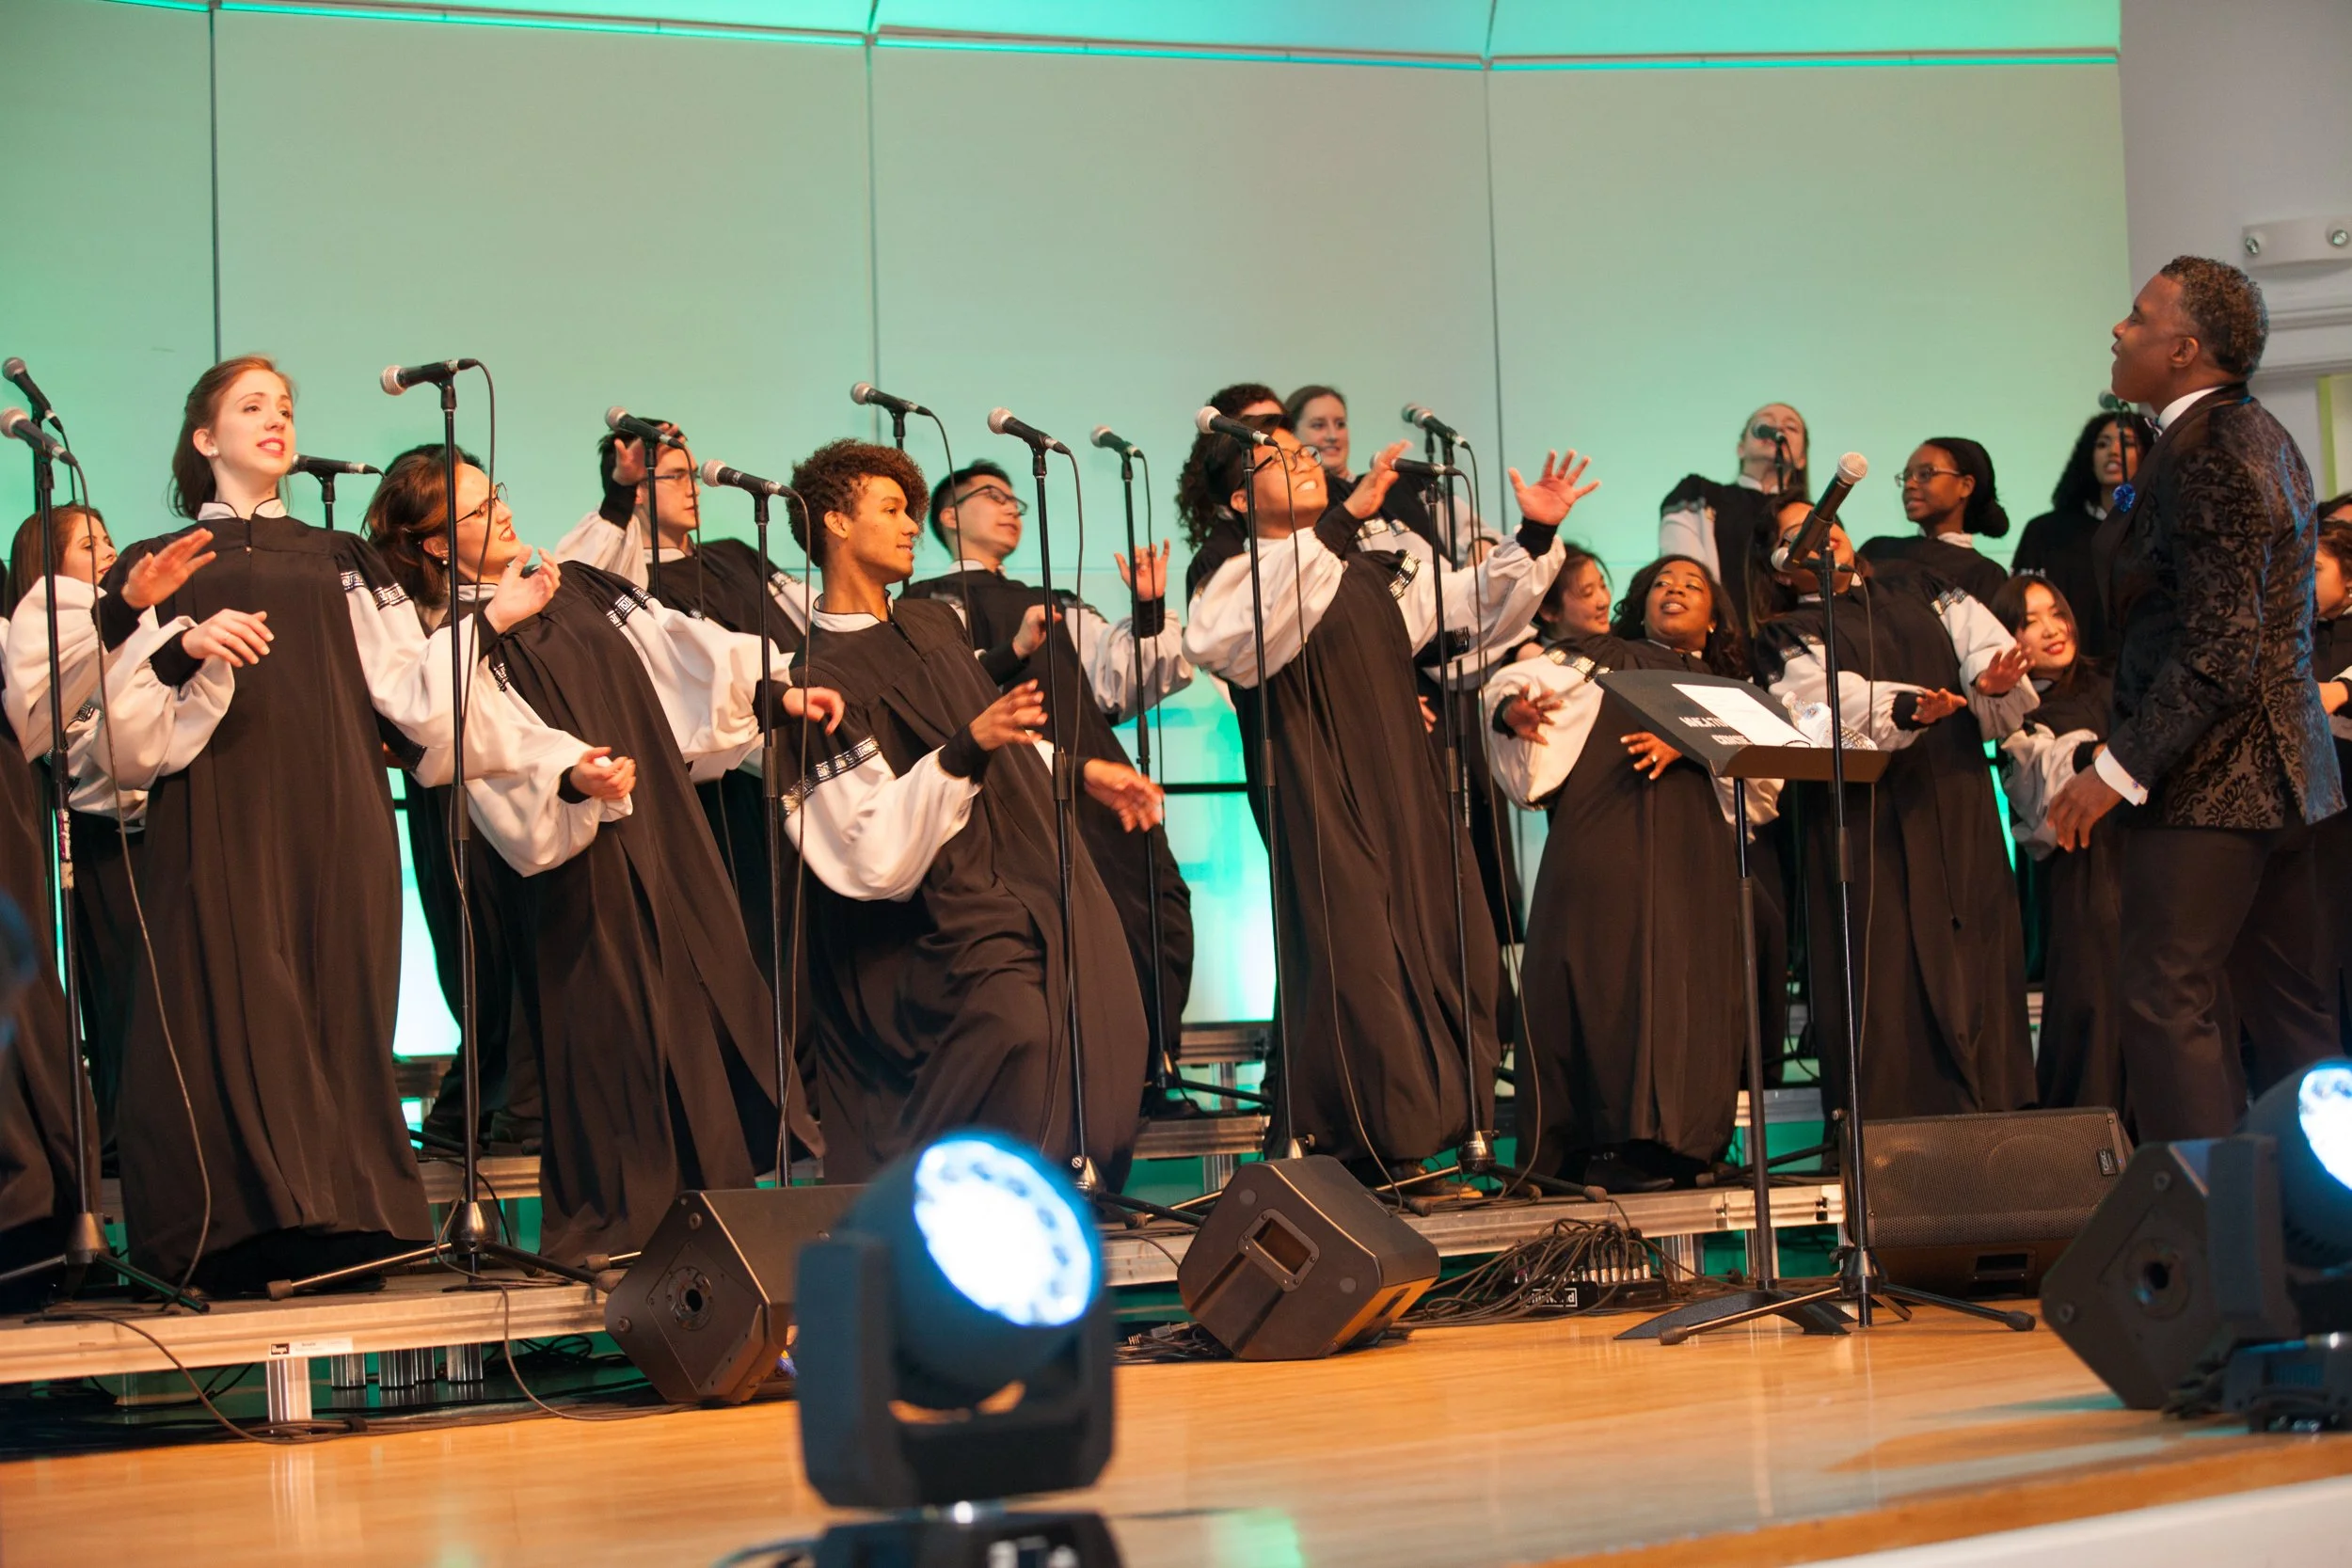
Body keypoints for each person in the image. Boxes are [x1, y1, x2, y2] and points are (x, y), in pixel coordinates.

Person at [92, 356, 574, 1293]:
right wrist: (176, 642)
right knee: (236, 996)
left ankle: (349, 1217)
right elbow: (108, 729)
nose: (275, 418)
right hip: (219, 802)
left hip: (339, 801)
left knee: (337, 993)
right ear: (204, 439)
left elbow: (408, 690)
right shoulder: (155, 561)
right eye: (249, 406)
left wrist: (496, 619)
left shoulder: (341, 556)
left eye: (284, 404)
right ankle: (235, 1227)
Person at [369, 449, 823, 1266]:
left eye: (493, 495)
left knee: (694, 1009)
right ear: (434, 546)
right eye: (474, 513)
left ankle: (719, 1226)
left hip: (661, 825)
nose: (499, 513)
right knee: (615, 1034)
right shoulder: (451, 640)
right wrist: (569, 772)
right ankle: (624, 1235)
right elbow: (474, 739)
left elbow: (681, 652)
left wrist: (774, 690)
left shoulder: (579, 583)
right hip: (582, 853)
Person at [1180, 412, 1588, 1184]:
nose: (1301, 463)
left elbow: (1473, 606)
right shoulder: (1238, 572)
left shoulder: (1365, 566)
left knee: (1455, 946)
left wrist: (1533, 536)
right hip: (1326, 791)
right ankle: (1361, 1152)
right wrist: (1340, 522)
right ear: (1238, 501)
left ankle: (1441, 1136)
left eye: (1303, 453)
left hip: (1407, 784)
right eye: (1277, 459)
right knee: (1360, 963)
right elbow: (1229, 640)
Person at [781, 439, 1157, 1186]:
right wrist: (966, 747)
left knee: (1108, 1015)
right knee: (1017, 1030)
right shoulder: (811, 680)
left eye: (912, 511)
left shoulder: (930, 626)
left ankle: (1056, 1207)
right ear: (834, 524)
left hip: (1024, 871)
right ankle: (965, 1214)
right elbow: (868, 848)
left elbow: (992, 736)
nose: (911, 526)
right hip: (932, 919)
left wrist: (1083, 770)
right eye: (890, 509)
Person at [2050, 257, 2344, 1142]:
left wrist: (2117, 767)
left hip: (2217, 784)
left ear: (2182, 349)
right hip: (2285, 777)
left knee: (2166, 1000)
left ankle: (2217, 1248)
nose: (2118, 329)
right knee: (2295, 1024)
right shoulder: (2256, 433)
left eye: (2137, 317)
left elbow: (2219, 649)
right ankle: (2314, 1250)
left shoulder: (2209, 451)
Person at [901, 460, 1195, 1100]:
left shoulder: (1054, 602)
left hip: (1098, 778)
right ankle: (1072, 1087)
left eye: (1016, 500)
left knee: (1157, 907)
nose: (1010, 508)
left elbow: (1124, 677)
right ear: (948, 517)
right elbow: (943, 696)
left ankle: (1150, 1071)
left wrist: (1148, 608)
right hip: (1016, 789)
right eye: (992, 496)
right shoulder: (926, 603)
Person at [0, 517, 234, 1300]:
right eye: (84, 546)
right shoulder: (42, 615)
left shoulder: (115, 618)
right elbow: (56, 721)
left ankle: (77, 1202)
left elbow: (87, 717)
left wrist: (151, 631)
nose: (104, 554)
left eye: (107, 542)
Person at [1485, 555, 1767, 1192]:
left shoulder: (1734, 689)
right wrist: (1514, 714)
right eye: (1663, 581)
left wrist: (1690, 742)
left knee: (1683, 987)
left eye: (1693, 585)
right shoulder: (1598, 655)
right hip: (1602, 840)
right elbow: (1513, 684)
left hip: (1692, 859)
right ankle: (1585, 1145)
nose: (1675, 589)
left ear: (1715, 618)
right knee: (1596, 972)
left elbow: (1767, 782)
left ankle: (1676, 1148)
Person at [1751, 503, 2038, 1121]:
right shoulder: (1785, 633)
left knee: (1975, 949)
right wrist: (1907, 708)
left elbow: (1984, 647)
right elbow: (1815, 705)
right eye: (1794, 533)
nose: (1819, 535)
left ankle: (1998, 1124)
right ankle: (1893, 1137)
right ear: (1780, 566)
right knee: (1883, 972)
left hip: (1956, 794)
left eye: (1829, 522)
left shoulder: (1924, 586)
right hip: (1865, 817)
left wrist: (1989, 679)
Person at [553, 417, 815, 998]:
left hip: (796, 757)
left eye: (691, 475)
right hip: (712, 785)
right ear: (637, 488)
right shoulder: (624, 579)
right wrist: (618, 494)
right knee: (740, 947)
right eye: (673, 476)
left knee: (802, 948)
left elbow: (811, 618)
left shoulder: (735, 556)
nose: (693, 487)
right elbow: (579, 578)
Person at [1991, 576, 2125, 1117]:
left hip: (2153, 862)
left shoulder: (2120, 676)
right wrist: (2099, 753)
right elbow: (2043, 796)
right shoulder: (2017, 719)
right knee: (2095, 1018)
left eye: (2057, 612)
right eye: (2030, 621)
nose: (2052, 629)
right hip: (2087, 878)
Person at [1658, 404, 1809, 635]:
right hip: (1719, 640)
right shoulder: (1698, 494)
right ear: (1740, 448)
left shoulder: (1816, 517)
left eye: (1791, 427)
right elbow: (1683, 567)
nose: (1778, 428)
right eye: (1765, 424)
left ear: (1802, 459)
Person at [2012, 413, 2145, 659]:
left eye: (2126, 443)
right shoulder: (2046, 531)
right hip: (2068, 675)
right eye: (2102, 444)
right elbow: (2018, 609)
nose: (2113, 452)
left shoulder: (2156, 528)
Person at [1858, 437, 2010, 606]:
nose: (1909, 484)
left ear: (1965, 486)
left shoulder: (1986, 575)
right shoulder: (1878, 550)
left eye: (1925, 474)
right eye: (1907, 476)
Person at [2307, 501, 2352, 1047]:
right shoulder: (2296, 632)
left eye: (2314, 570)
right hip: (2317, 822)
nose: (2302, 582)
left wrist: (2339, 691)